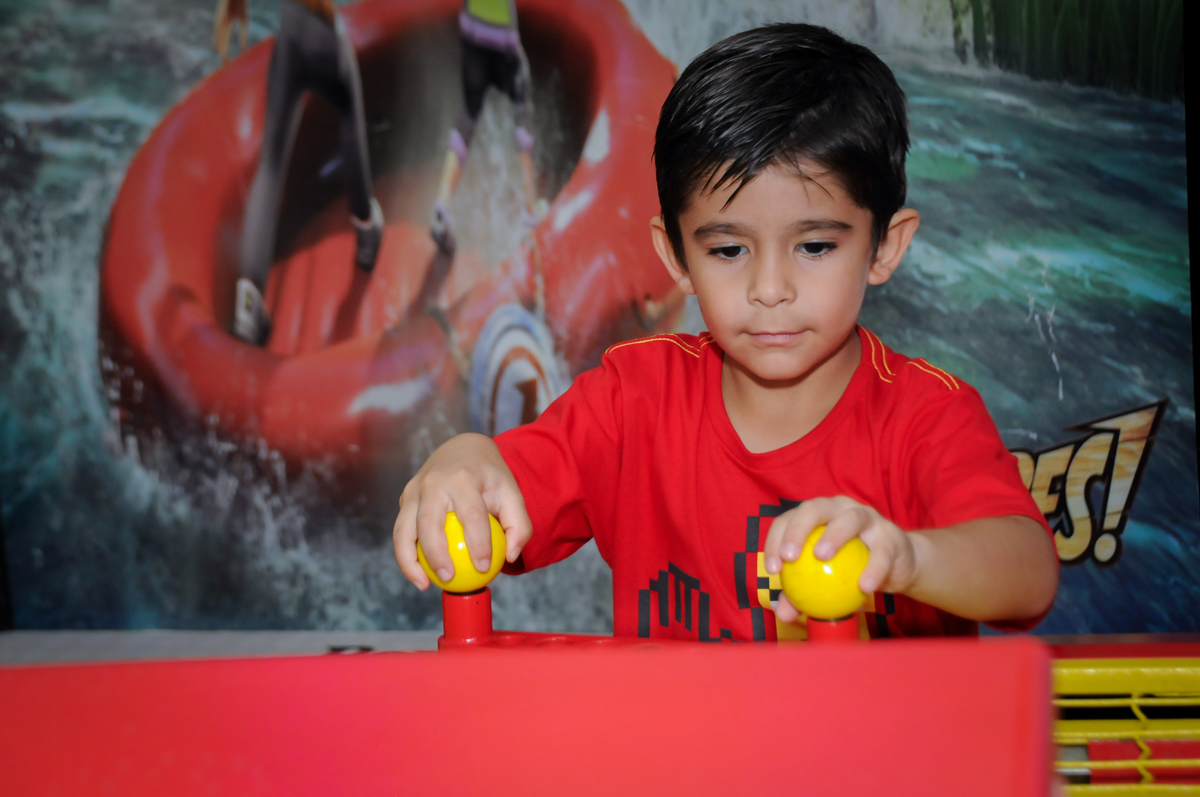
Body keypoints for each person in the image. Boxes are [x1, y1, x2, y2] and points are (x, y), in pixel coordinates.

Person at [392, 24, 1059, 641]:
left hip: (870, 762)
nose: (771, 288)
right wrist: (465, 458)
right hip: (682, 762)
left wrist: (911, 556)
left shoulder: (927, 416)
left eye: (816, 246)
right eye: (729, 251)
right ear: (676, 256)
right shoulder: (631, 402)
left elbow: (1027, 573)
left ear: (885, 246)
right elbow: (503, 489)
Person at [214, 0, 384, 346]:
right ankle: (366, 230)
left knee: (270, 166)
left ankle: (249, 304)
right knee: (351, 120)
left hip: (290, 39)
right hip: (325, 41)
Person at [430, 0, 545, 255]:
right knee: (521, 108)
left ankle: (442, 207)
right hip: (502, 36)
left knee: (469, 112)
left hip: (472, 32)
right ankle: (530, 213)